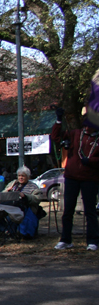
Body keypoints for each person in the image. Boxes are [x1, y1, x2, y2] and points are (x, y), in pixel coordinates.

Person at [51, 107, 99, 250]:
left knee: (90, 211)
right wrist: (59, 120)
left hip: (90, 178)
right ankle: (66, 240)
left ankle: (93, 241)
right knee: (68, 210)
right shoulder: (76, 134)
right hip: (72, 176)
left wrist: (91, 161)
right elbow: (55, 137)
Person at [1, 166, 42, 238]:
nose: (20, 178)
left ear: (28, 177)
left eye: (23, 176)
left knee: (12, 213)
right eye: (19, 176)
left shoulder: (33, 186)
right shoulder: (13, 183)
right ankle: (3, 230)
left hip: (25, 208)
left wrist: (26, 196)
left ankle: (12, 232)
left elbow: (37, 198)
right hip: (10, 205)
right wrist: (7, 191)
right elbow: (2, 195)